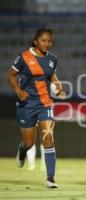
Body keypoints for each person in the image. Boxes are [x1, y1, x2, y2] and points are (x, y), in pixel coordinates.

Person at [7, 28, 64, 188]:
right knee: (29, 142)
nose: (47, 44)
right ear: (35, 41)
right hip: (27, 104)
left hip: (45, 103)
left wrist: (57, 84)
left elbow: (51, 75)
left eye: (50, 41)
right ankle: (23, 149)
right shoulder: (24, 57)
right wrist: (18, 90)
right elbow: (10, 75)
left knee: (48, 137)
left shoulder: (52, 58)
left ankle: (50, 178)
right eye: (44, 41)